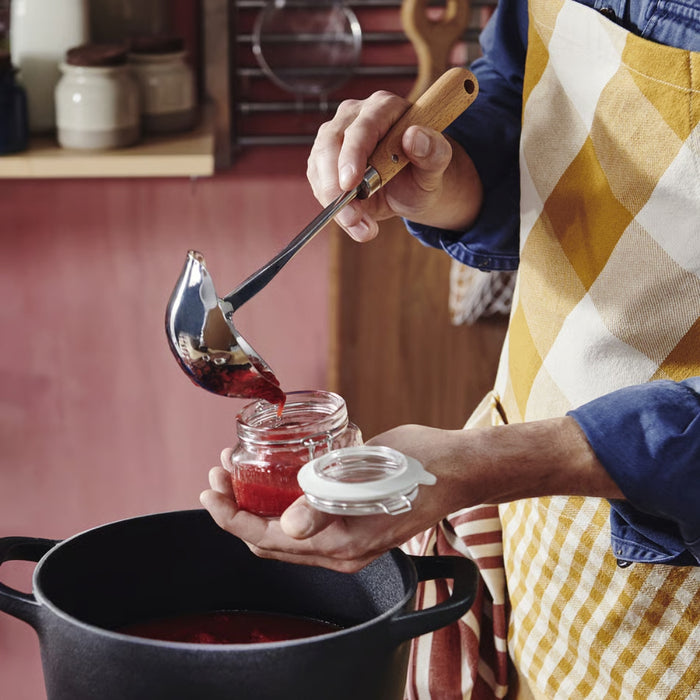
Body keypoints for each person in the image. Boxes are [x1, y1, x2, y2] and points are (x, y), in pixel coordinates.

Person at [201, 0, 700, 697]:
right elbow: (530, 94)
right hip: (538, 531)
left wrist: (487, 463)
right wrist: (447, 176)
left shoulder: (488, 466)